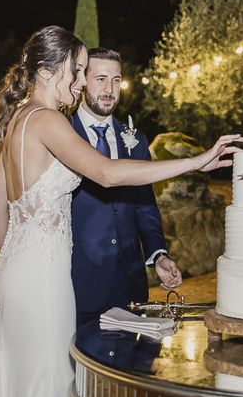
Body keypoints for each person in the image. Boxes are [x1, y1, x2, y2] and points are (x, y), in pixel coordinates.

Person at [0, 25, 243, 397]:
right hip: (43, 279)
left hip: (17, 273)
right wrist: (195, 162)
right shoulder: (48, 119)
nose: (79, 84)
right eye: (76, 71)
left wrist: (16, 260)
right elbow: (106, 174)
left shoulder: (17, 121)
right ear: (47, 71)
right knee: (47, 383)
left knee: (19, 378)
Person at [71, 47, 179, 329]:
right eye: (101, 79)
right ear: (82, 80)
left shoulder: (136, 140)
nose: (110, 89)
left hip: (130, 284)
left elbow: (145, 205)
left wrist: (158, 254)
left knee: (128, 367)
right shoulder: (63, 134)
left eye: (116, 80)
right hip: (79, 281)